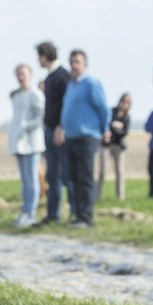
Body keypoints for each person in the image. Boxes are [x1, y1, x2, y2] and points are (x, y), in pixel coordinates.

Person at [60, 49, 110, 228]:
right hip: (71, 137)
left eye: (77, 62)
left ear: (85, 65)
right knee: (72, 178)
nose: (73, 65)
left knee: (85, 177)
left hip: (88, 136)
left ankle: (86, 217)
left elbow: (104, 108)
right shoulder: (72, 85)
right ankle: (77, 214)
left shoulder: (91, 84)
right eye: (71, 61)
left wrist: (105, 129)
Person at [35, 41, 73, 225]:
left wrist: (62, 126)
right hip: (49, 129)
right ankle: (52, 215)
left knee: (66, 175)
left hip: (59, 131)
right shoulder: (49, 78)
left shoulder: (61, 76)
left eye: (39, 56)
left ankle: (75, 214)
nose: (38, 60)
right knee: (52, 176)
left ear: (45, 55)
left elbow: (67, 103)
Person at [8, 63, 45, 227]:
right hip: (19, 143)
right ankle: (25, 210)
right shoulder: (16, 96)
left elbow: (40, 117)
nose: (21, 77)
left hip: (32, 143)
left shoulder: (36, 94)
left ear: (29, 75)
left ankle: (31, 213)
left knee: (32, 179)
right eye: (18, 74)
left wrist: (26, 126)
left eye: (23, 73)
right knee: (24, 180)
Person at [96, 92, 131, 201]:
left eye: (127, 102)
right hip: (106, 145)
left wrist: (115, 127)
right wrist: (116, 126)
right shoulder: (111, 112)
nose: (124, 104)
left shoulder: (127, 117)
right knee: (102, 171)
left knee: (120, 171)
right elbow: (106, 125)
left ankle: (120, 195)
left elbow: (124, 133)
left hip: (119, 146)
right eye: (123, 101)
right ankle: (97, 195)